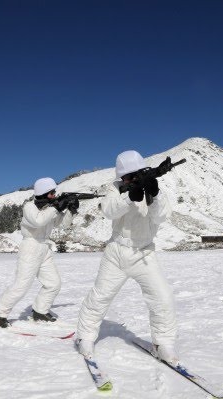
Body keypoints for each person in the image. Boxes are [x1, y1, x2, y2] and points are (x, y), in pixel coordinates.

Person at [75, 150, 179, 364]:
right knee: (100, 296)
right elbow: (109, 210)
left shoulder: (152, 187)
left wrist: (155, 195)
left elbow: (162, 216)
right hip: (116, 253)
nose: (132, 179)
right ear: (122, 178)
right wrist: (129, 197)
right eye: (128, 177)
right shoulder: (114, 190)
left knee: (162, 297)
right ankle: (85, 336)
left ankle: (164, 343)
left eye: (136, 174)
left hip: (144, 254)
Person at [0, 177, 77, 328]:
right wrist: (56, 207)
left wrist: (71, 210)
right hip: (30, 247)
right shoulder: (29, 207)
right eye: (51, 193)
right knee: (21, 285)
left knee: (53, 283)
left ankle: (40, 311)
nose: (54, 196)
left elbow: (62, 224)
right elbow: (38, 221)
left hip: (44, 248)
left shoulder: (51, 208)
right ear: (43, 193)